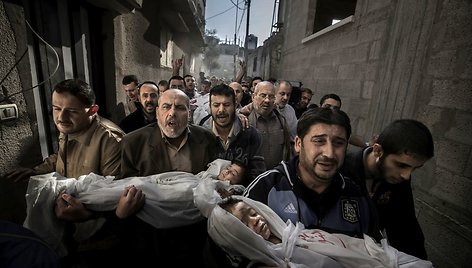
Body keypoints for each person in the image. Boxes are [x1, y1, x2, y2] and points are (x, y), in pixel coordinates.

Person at [5, 78, 125, 266]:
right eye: (56, 108)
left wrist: (85, 214)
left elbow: (118, 194)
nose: (61, 117)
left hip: (98, 239)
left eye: (72, 111)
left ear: (93, 110)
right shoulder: (70, 126)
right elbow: (61, 156)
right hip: (68, 230)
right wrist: (35, 170)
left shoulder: (111, 141)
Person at [244, 107, 380, 239]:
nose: (329, 153)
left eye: (338, 143)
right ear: (298, 144)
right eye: (319, 141)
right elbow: (236, 245)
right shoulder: (267, 186)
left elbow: (376, 254)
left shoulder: (356, 196)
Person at [118, 88, 218, 267]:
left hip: (194, 232)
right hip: (152, 234)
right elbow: (126, 187)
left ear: (189, 113)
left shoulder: (207, 139)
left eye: (180, 108)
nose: (172, 113)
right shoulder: (133, 143)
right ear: (157, 112)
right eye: (166, 107)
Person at [204, 196, 433, 268]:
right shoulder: (270, 264)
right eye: (243, 224)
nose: (255, 220)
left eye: (251, 212)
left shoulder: (290, 233)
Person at [341, 119, 434, 260]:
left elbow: (406, 230)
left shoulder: (399, 181)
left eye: (414, 168)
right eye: (401, 165)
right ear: (378, 150)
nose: (407, 175)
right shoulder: (342, 170)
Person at [198, 84, 266, 186]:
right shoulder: (200, 135)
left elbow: (257, 175)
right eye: (216, 105)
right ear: (210, 106)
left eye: (226, 105)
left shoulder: (251, 135)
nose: (221, 110)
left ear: (235, 105)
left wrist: (237, 191)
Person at [247, 81, 292, 169]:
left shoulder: (281, 121)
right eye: (263, 96)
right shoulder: (245, 121)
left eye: (271, 96)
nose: (267, 100)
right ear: (253, 97)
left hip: (276, 177)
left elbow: (287, 151)